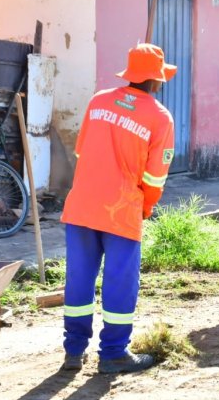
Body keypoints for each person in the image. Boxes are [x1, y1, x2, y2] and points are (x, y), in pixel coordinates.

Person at [60, 43, 176, 373]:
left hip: (82, 204)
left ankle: (73, 352)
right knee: (119, 281)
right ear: (156, 81)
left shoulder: (98, 101)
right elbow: (155, 178)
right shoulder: (159, 118)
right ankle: (112, 353)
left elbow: (81, 152)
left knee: (79, 278)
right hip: (121, 210)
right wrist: (147, 207)